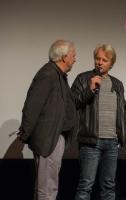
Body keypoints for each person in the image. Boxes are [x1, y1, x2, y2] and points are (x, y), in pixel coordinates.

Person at [19, 40, 77, 200]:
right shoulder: (48, 74)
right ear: (64, 57)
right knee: (47, 188)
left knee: (48, 186)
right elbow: (32, 106)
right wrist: (25, 133)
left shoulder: (58, 75)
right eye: (73, 55)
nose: (75, 59)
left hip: (54, 136)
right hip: (48, 138)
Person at [71, 44, 126, 200]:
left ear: (111, 63)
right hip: (91, 142)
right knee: (85, 187)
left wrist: (122, 135)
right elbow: (73, 103)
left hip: (111, 143)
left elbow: (123, 111)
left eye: (104, 59)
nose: (100, 62)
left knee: (109, 187)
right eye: (98, 59)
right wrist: (89, 89)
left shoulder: (117, 84)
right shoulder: (83, 78)